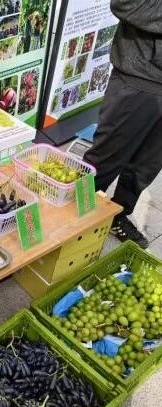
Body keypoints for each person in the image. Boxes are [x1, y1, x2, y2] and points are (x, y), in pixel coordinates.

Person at [83, 0, 162, 249]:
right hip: (139, 77)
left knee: (146, 165)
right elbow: (126, 4)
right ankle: (73, 216)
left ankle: (118, 213)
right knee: (104, 159)